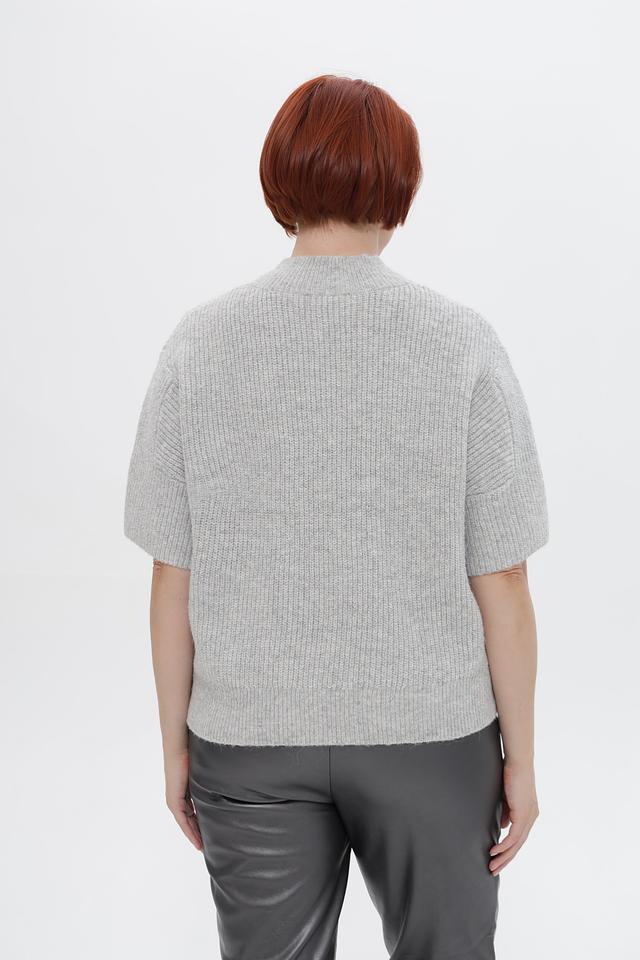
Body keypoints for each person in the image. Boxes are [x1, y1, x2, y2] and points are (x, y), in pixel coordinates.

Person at [124, 74, 549, 960]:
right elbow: (503, 575)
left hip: (248, 736)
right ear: (401, 186)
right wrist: (521, 756)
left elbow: (171, 571)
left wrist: (174, 749)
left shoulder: (198, 343)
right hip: (433, 736)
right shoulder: (461, 342)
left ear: (279, 175)